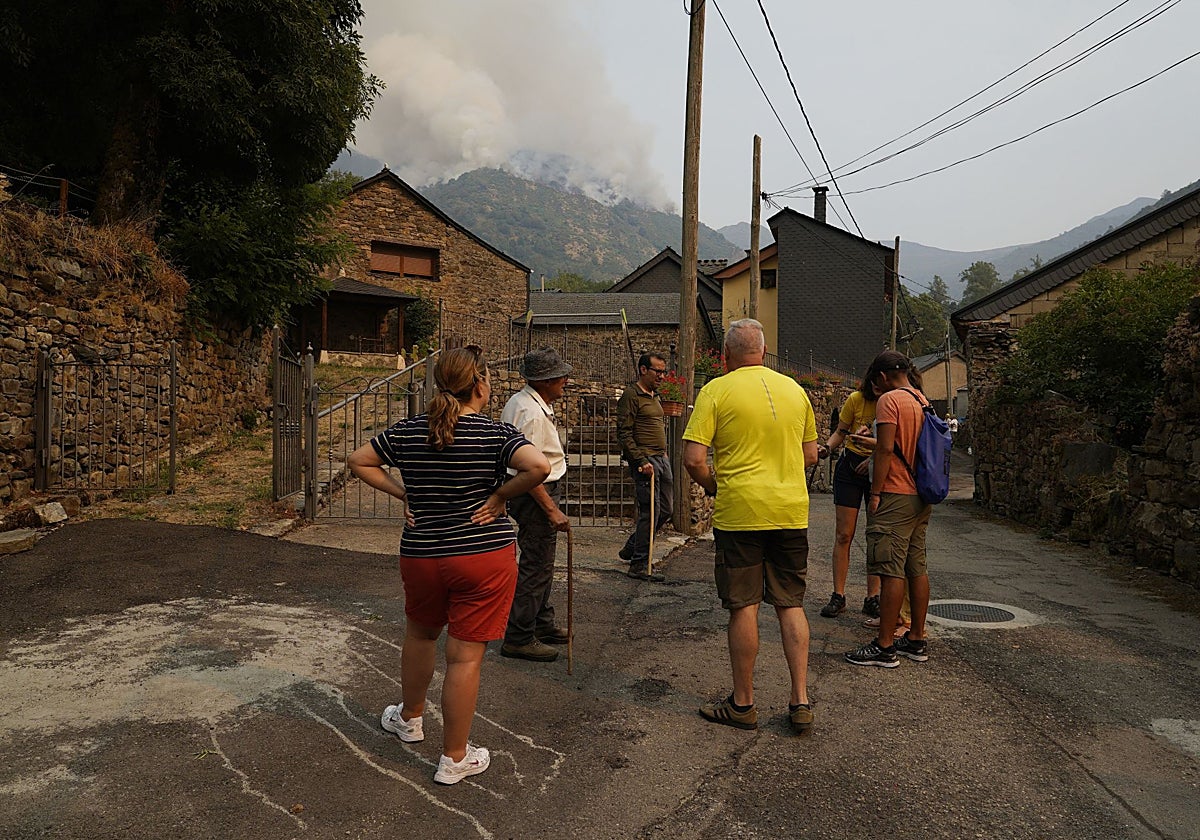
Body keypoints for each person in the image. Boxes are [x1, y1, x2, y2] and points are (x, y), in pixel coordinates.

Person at [347, 345, 551, 784]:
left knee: (420, 635)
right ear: (479, 384)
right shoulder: (495, 434)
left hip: (423, 554)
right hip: (483, 558)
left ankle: (409, 718)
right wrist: (500, 496)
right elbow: (538, 466)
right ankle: (454, 758)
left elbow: (359, 460)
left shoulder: (409, 430)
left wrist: (404, 493)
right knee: (464, 659)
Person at [682, 319, 819, 734]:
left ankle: (743, 704)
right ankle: (800, 700)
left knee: (744, 606)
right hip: (790, 512)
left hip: (740, 513)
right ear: (763, 350)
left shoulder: (715, 391)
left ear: (726, 355)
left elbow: (693, 459)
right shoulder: (795, 391)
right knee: (790, 603)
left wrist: (714, 486)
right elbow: (811, 455)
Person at [845, 350, 933, 668]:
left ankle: (884, 646)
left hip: (895, 493)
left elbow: (885, 450)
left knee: (890, 568)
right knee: (915, 567)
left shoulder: (890, 401)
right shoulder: (921, 399)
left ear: (882, 377)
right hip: (920, 494)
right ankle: (916, 638)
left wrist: (875, 493)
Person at [498, 347, 573, 663]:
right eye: (560, 377)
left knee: (540, 561)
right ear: (545, 381)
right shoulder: (530, 413)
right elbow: (526, 472)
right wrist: (550, 509)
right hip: (535, 495)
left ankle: (540, 622)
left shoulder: (523, 403)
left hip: (532, 493)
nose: (565, 381)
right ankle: (519, 636)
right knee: (537, 565)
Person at [815, 374, 883, 621]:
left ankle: (872, 597)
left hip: (879, 467)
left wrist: (873, 457)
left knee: (875, 535)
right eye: (875, 382)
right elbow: (840, 432)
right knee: (844, 534)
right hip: (850, 467)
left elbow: (893, 442)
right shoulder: (856, 400)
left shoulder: (891, 402)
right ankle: (838, 595)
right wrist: (827, 447)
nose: (878, 387)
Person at [616, 352, 673, 582]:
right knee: (651, 512)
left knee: (666, 509)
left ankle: (632, 547)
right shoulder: (631, 395)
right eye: (657, 371)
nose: (661, 376)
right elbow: (624, 433)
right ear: (643, 370)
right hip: (646, 461)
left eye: (663, 372)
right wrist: (640, 461)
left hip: (661, 459)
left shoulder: (654, 396)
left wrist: (664, 454)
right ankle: (639, 564)